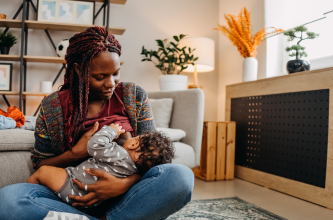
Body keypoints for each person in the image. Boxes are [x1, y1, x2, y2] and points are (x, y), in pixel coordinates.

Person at [0, 26, 194, 220]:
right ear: (79, 70)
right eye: (100, 77)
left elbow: (155, 158)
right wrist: (75, 153)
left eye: (116, 73)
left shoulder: (133, 96)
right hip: (70, 195)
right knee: (9, 200)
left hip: (126, 198)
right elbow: (40, 164)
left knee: (180, 177)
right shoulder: (53, 106)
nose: (111, 83)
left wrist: (122, 185)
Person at [26, 122, 175, 208]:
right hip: (90, 202)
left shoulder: (120, 154)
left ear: (134, 143)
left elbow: (94, 145)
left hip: (72, 185)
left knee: (43, 172)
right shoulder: (132, 170)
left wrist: (112, 131)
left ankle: (27, 190)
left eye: (135, 137)